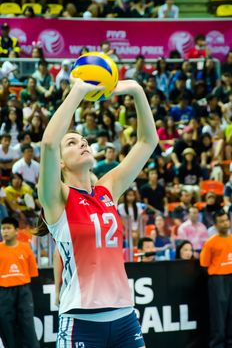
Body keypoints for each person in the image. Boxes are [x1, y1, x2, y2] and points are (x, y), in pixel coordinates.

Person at [38, 77, 158, 347]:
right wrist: (78, 91)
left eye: (83, 140)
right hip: (81, 323)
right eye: (71, 143)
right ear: (59, 162)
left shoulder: (108, 189)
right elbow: (47, 144)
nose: (82, 143)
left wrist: (137, 91)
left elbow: (148, 142)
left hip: (126, 318)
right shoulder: (56, 198)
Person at [0, 217, 39, 348]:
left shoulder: (25, 249)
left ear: (17, 231)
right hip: (3, 292)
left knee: (27, 325)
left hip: (23, 290)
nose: (5, 231)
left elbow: (33, 273)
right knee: (6, 326)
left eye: (8, 228)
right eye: (3, 228)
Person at [200, 210, 232, 348]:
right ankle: (217, 345)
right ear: (215, 224)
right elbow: (204, 264)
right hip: (218, 279)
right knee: (218, 317)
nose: (225, 223)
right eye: (222, 221)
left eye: (226, 220)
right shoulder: (210, 243)